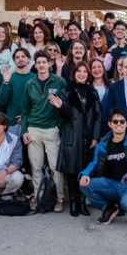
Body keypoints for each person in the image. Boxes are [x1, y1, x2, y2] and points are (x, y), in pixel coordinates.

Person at [20, 50, 68, 212]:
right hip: (34, 129)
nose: (41, 65)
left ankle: (59, 199)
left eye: (44, 62)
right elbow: (25, 110)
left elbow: (65, 106)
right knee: (36, 167)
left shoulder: (59, 82)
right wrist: (25, 130)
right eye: (38, 62)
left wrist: (58, 126)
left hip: (51, 130)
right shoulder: (30, 84)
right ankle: (38, 197)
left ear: (49, 64)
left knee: (56, 167)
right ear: (35, 65)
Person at [53, 61, 101, 217]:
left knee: (85, 170)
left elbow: (99, 116)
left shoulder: (92, 92)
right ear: (74, 73)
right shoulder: (66, 91)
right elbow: (65, 116)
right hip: (72, 136)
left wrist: (95, 136)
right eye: (79, 71)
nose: (82, 74)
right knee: (73, 171)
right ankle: (74, 202)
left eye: (84, 72)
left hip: (88, 138)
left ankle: (82, 202)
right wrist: (61, 107)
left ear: (88, 75)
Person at [0, 48, 36, 138]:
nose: (20, 59)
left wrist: (26, 116)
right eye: (17, 57)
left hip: (31, 123)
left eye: (23, 56)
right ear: (14, 61)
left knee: (30, 152)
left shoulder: (35, 78)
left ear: (29, 59)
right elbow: (1, 101)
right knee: (13, 151)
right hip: (12, 124)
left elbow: (39, 102)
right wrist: (5, 82)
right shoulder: (10, 78)